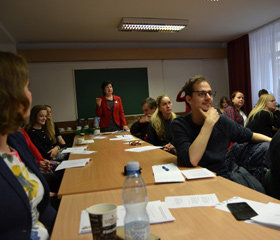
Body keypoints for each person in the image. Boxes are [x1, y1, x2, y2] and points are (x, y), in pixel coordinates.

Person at [170, 75, 271, 184]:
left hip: (225, 171)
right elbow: (192, 160)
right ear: (189, 99)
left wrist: (273, 142)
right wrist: (209, 123)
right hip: (200, 177)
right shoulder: (179, 124)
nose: (208, 97)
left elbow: (250, 135)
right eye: (202, 94)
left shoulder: (221, 120)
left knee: (265, 146)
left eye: (210, 93)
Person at [0, 51, 56, 239]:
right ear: (11, 97)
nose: (30, 94)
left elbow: (42, 208)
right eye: (27, 87)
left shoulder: (16, 139)